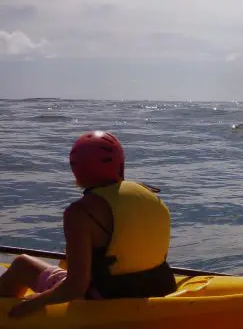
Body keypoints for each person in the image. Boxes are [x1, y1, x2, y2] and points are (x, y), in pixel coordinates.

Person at [0, 130, 177, 319]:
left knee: (21, 264)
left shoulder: (80, 212)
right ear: (120, 164)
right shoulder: (149, 194)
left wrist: (35, 302)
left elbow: (75, 287)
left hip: (106, 298)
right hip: (160, 288)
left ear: (76, 169)